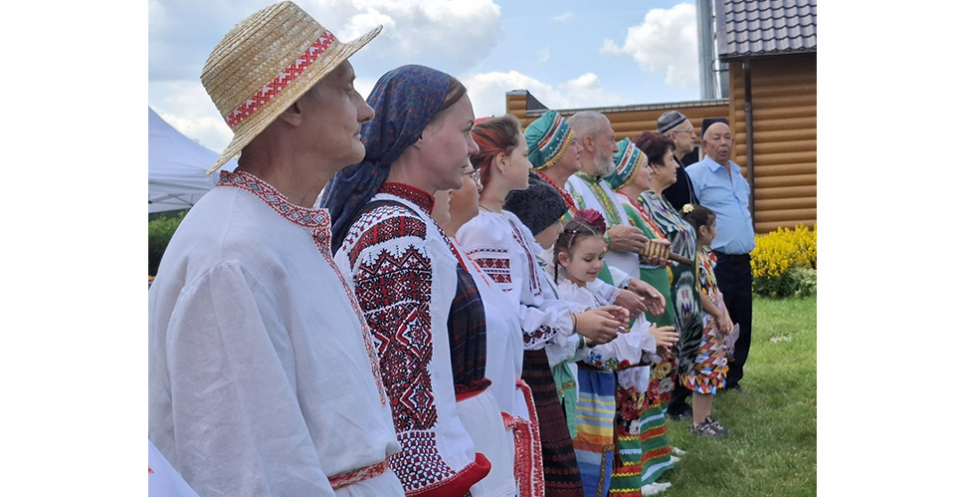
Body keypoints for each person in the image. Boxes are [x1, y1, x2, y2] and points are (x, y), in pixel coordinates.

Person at [148, 3, 404, 496]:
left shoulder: (274, 228)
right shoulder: (233, 252)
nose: (365, 109)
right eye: (348, 88)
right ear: (293, 107)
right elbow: (245, 469)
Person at [321, 65, 508, 497]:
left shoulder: (405, 222)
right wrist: (439, 482)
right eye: (465, 130)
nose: (473, 146)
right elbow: (407, 404)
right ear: (420, 132)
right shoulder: (397, 234)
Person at [458, 115, 630, 497]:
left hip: (533, 364)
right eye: (524, 154)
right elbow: (504, 316)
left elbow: (538, 294)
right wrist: (575, 323)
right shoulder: (483, 229)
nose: (531, 164)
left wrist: (582, 316)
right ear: (502, 162)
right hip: (519, 367)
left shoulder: (508, 222)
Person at [434, 163, 546, 497]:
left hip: (491, 411)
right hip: (469, 422)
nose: (478, 184)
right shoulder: (465, 239)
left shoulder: (453, 247)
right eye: (468, 175)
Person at [552, 211, 679, 497]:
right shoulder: (567, 296)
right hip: (585, 387)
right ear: (563, 259)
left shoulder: (585, 289)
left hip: (600, 385)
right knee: (589, 457)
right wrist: (644, 341)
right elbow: (596, 348)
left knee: (603, 451)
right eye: (589, 259)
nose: (597, 265)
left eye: (601, 257)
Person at [604, 138, 681, 493]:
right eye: (643, 165)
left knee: (646, 384)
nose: (649, 170)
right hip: (630, 299)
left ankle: (653, 456)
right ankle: (637, 471)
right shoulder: (620, 202)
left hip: (638, 293)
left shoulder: (626, 203)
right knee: (636, 387)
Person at [634, 131, 705, 422]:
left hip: (685, 301)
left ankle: (664, 425)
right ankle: (653, 429)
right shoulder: (641, 205)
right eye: (670, 160)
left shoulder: (662, 202)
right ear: (653, 166)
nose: (677, 165)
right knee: (655, 378)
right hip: (664, 303)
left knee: (670, 373)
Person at [685, 118, 756, 392]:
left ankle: (733, 377)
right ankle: (713, 373)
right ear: (704, 144)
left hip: (742, 261)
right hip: (715, 261)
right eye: (716, 138)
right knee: (717, 320)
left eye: (727, 137)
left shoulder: (737, 174)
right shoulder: (695, 174)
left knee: (742, 320)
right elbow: (688, 215)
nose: (723, 143)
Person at [565, 111, 648, 279]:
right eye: (611, 139)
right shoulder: (570, 185)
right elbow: (567, 239)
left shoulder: (603, 185)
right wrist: (608, 239)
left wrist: (646, 250)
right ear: (589, 143)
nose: (616, 148)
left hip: (626, 289)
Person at [680, 204, 736, 437]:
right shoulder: (691, 258)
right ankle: (698, 423)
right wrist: (717, 313)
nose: (716, 231)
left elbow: (714, 290)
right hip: (701, 323)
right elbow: (696, 292)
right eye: (714, 226)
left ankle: (706, 417)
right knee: (703, 369)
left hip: (713, 322)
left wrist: (725, 315)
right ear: (703, 230)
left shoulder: (705, 256)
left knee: (714, 367)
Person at [657, 110, 700, 211]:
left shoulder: (677, 167)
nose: (694, 136)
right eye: (689, 131)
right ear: (673, 136)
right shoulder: (666, 170)